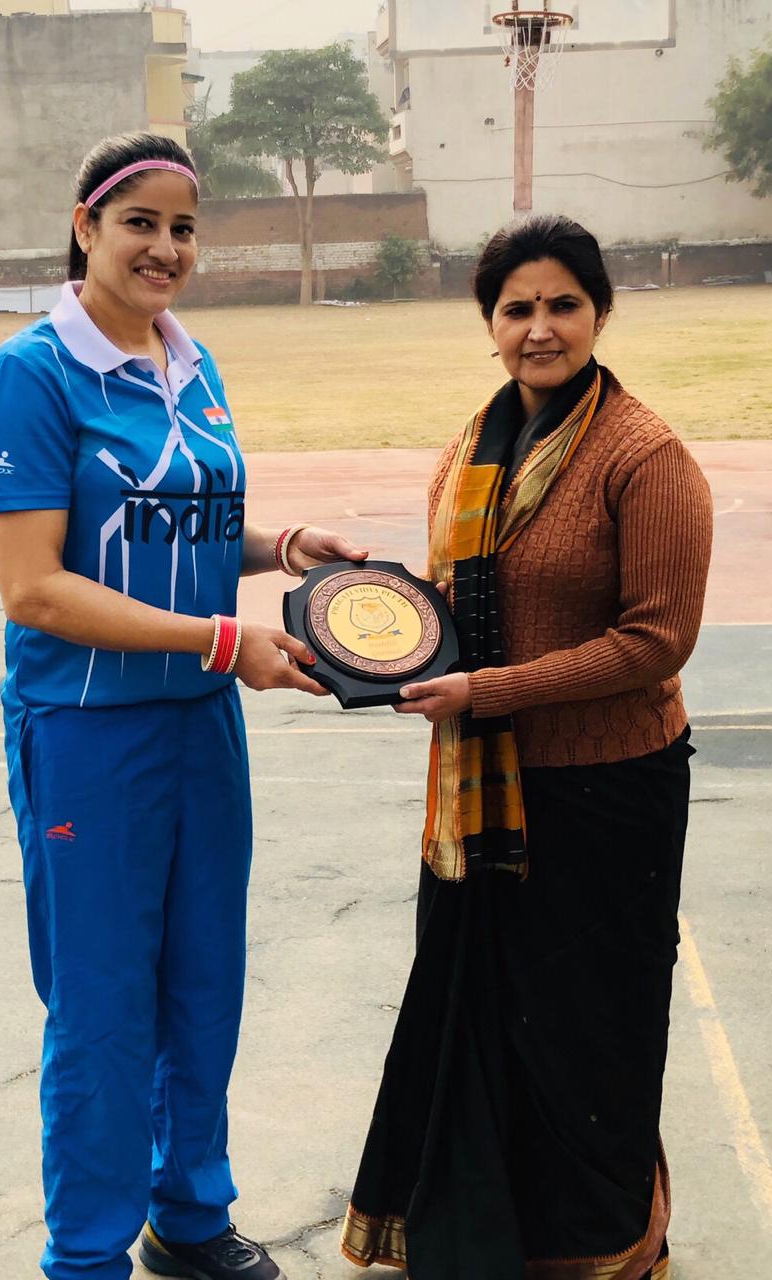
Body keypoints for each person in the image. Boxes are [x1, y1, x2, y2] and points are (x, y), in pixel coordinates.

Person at [0, 132, 366, 1280]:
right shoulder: (32, 374)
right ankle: (86, 1254)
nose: (164, 247)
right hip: (89, 732)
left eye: (183, 227)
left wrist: (284, 545)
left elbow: (169, 531)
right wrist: (224, 640)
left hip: (201, 724)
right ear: (85, 225)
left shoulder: (195, 367)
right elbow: (37, 584)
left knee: (203, 981)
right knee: (100, 1009)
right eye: (139, 221)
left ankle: (187, 1215)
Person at [340, 214, 713, 1280]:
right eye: (518, 308)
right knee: (487, 1013)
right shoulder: (474, 446)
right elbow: (453, 601)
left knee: (589, 1024)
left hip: (608, 792)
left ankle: (602, 1241)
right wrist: (364, 634)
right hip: (480, 787)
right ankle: (490, 1230)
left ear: (598, 313)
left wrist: (484, 688)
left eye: (562, 304)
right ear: (489, 323)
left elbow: (657, 640)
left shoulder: (644, 455)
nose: (540, 327)